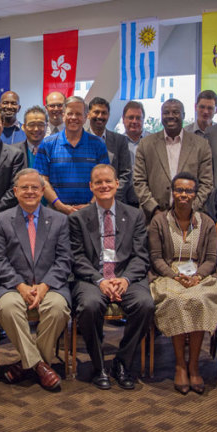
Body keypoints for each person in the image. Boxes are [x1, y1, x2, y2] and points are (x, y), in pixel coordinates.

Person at [69, 164, 153, 390]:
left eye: (108, 181)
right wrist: (101, 281)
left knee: (145, 304)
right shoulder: (78, 218)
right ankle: (98, 367)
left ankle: (122, 362)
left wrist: (124, 279)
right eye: (98, 182)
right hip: (93, 279)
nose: (104, 186)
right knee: (89, 305)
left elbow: (141, 256)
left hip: (126, 277)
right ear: (91, 187)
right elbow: (76, 258)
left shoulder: (134, 215)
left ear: (117, 184)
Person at [0, 169, 71, 390]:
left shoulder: (59, 220)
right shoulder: (1, 220)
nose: (29, 192)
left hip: (51, 285)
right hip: (13, 286)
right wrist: (20, 286)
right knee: (7, 308)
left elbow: (65, 260)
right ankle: (40, 366)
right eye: (24, 188)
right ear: (15, 192)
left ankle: (27, 364)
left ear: (43, 191)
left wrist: (45, 286)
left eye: (34, 187)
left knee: (57, 308)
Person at [147, 172, 217, 395]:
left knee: (199, 298)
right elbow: (156, 257)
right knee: (176, 299)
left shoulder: (207, 222)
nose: (183, 195)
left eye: (188, 191)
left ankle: (194, 364)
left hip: (200, 276)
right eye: (179, 190)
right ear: (172, 193)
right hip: (168, 276)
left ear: (195, 194)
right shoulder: (159, 221)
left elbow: (211, 259)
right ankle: (181, 365)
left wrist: (197, 277)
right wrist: (174, 277)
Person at [133, 99, 213, 221]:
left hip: (190, 219)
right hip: (153, 219)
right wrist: (155, 210)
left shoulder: (201, 145)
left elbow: (206, 183)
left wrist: (189, 210)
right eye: (166, 113)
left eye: (175, 112)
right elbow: (139, 181)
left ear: (183, 115)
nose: (170, 116)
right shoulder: (146, 144)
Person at [35, 96, 110, 215]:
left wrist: (90, 205)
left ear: (86, 117)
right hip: (56, 213)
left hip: (90, 213)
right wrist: (60, 206)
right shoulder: (47, 144)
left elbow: (105, 181)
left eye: (78, 114)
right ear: (63, 115)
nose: (74, 118)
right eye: (70, 113)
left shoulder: (98, 144)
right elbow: (42, 180)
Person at [87, 97, 132, 204]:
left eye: (104, 113)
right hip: (86, 202)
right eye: (96, 112)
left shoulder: (120, 140)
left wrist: (110, 195)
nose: (100, 116)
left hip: (114, 201)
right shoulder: (80, 140)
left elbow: (126, 173)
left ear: (108, 115)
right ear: (88, 114)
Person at [121, 101, 147, 208]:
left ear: (143, 120)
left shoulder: (153, 141)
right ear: (123, 119)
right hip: (124, 201)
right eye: (130, 117)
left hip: (148, 201)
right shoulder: (117, 142)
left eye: (138, 118)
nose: (134, 121)